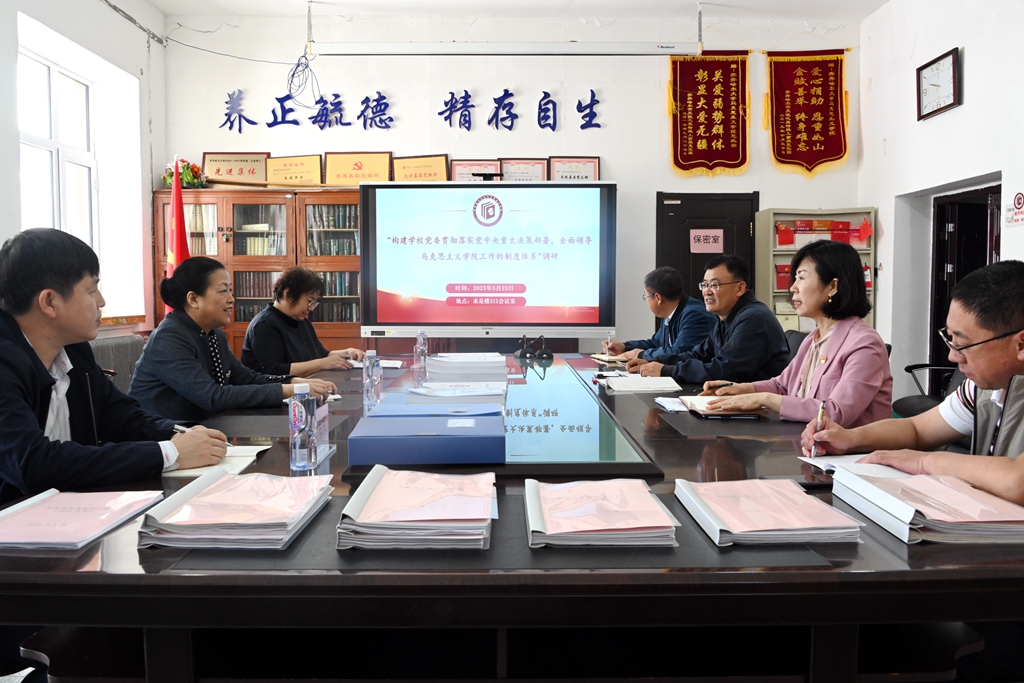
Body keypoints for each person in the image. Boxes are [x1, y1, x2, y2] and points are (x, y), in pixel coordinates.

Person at [0, 229, 227, 681]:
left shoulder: (73, 351)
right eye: (92, 290)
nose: (102, 302)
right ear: (50, 302)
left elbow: (122, 415)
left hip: (72, 533)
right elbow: (33, 464)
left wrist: (184, 435)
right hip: (17, 564)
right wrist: (168, 453)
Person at [800, 259, 1024, 683]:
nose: (951, 356)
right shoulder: (988, 384)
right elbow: (920, 428)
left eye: (963, 344)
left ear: (1020, 343)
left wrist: (926, 462)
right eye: (949, 338)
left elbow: (1018, 481)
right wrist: (850, 437)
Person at [699, 240, 892, 426]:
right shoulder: (813, 338)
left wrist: (764, 399)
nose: (793, 287)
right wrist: (742, 389)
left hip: (850, 448)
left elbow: (835, 413)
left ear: (832, 287)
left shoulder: (864, 344)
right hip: (807, 441)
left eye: (802, 277)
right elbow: (783, 386)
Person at [129, 257, 336, 422]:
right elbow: (213, 396)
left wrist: (293, 381)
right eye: (223, 291)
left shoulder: (213, 333)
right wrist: (288, 390)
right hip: (164, 440)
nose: (232, 299)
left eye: (230, 290)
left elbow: (246, 377)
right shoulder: (169, 338)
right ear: (193, 299)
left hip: (207, 430)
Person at [626, 255, 789, 385]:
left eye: (715, 285)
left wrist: (666, 370)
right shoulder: (726, 318)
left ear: (740, 288)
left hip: (760, 409)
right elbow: (698, 354)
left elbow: (724, 370)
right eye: (705, 285)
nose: (707, 292)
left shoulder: (753, 318)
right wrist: (654, 361)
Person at [241, 267, 364, 375]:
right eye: (309, 301)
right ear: (287, 294)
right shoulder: (264, 324)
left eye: (314, 303)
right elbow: (274, 371)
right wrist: (321, 364)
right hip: (274, 392)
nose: (311, 308)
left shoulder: (302, 321)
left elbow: (321, 354)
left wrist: (348, 353)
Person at [602, 266, 715, 361]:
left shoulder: (695, 315)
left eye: (645, 296)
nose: (646, 301)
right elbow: (656, 343)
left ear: (658, 298)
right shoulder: (671, 312)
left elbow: (679, 352)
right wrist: (625, 347)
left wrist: (641, 355)